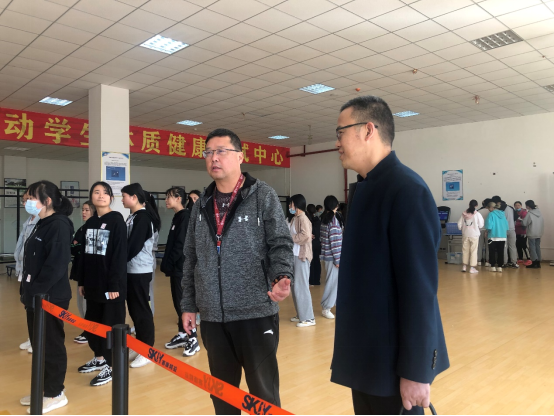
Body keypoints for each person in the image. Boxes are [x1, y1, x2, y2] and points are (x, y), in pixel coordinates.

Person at [331, 96, 449, 415]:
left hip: (394, 364)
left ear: (368, 130)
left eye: (341, 132)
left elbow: (420, 290)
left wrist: (416, 371)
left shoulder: (407, 191)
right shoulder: (365, 190)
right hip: (366, 356)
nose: (337, 142)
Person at [181, 128, 294, 415]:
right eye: (208, 152)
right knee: (222, 395)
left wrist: (282, 275)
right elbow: (191, 257)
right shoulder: (201, 204)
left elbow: (280, 243)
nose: (213, 158)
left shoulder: (263, 195)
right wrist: (189, 304)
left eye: (221, 151)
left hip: (255, 312)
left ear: (240, 157)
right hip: (213, 316)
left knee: (264, 394)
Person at [19, 180, 74, 412]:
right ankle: (43, 389)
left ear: (47, 200)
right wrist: (28, 292)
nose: (28, 201)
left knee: (51, 345)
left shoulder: (59, 225)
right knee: (39, 345)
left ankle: (55, 392)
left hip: (50, 297)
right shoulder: (42, 223)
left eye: (32, 197)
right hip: (35, 296)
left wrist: (36, 291)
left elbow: (56, 265)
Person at [78, 182, 128, 387]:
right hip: (92, 285)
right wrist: (82, 281)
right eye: (96, 192)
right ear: (91, 196)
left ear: (111, 198)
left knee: (110, 325)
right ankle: (99, 358)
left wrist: (114, 285)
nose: (101, 196)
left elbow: (119, 256)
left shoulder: (117, 221)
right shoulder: (90, 222)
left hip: (111, 287)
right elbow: (84, 255)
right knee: (93, 324)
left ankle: (113, 365)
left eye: (105, 193)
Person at [121, 183, 160, 368]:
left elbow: (133, 246)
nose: (122, 200)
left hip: (139, 270)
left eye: (124, 196)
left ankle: (147, 350)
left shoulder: (143, 218)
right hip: (131, 270)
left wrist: (118, 262)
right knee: (135, 310)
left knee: (141, 310)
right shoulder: (133, 216)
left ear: (134, 197)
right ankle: (140, 345)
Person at [161, 187, 192, 353]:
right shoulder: (178, 216)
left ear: (179, 198)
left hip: (181, 269)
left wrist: (169, 263)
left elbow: (180, 245)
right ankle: (182, 333)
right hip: (175, 269)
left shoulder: (185, 217)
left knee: (183, 304)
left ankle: (192, 338)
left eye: (169, 197)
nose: (166, 200)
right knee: (178, 303)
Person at [15, 190, 40, 354]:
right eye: (24, 201)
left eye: (29, 199)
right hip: (24, 271)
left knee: (36, 307)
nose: (26, 203)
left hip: (34, 272)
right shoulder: (28, 221)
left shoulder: (41, 222)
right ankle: (32, 337)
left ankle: (38, 339)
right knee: (27, 305)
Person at [70, 200, 96, 344]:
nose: (84, 212)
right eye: (83, 210)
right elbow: (73, 247)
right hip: (79, 269)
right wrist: (77, 246)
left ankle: (90, 331)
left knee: (87, 303)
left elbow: (83, 248)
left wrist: (78, 246)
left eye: (87, 210)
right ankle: (86, 328)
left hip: (89, 271)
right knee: (80, 302)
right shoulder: (82, 228)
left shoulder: (93, 228)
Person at [289, 194, 314, 327]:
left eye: (291, 204)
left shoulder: (303, 218)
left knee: (301, 286)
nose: (289, 206)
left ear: (297, 205)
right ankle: (301, 314)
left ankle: (308, 318)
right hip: (295, 255)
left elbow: (306, 236)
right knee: (295, 286)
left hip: (302, 256)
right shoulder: (295, 218)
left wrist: (290, 238)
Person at [319, 195, 342, 319]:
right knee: (332, 283)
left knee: (334, 283)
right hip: (333, 258)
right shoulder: (333, 220)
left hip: (327, 256)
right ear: (335, 206)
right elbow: (335, 242)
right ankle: (326, 307)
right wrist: (337, 260)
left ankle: (336, 305)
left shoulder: (325, 219)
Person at [457, 200, 484, 274]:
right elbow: (481, 225)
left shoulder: (464, 214)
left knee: (465, 250)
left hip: (465, 234)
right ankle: (472, 268)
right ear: (476, 205)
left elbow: (459, 224)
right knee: (473, 251)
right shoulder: (477, 214)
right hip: (474, 235)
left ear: (469, 205)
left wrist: (463, 229)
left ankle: (464, 266)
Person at [491, 196, 518, 268]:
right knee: (513, 246)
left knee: (504, 246)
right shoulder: (510, 208)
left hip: (502, 230)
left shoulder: (497, 209)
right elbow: (516, 217)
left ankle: (504, 262)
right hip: (512, 229)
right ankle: (514, 262)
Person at [485, 201, 509, 272]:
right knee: (501, 251)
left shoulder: (491, 214)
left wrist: (486, 231)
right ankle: (500, 266)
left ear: (491, 207)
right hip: (502, 236)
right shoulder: (503, 214)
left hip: (493, 235)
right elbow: (506, 226)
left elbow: (489, 225)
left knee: (492, 251)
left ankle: (492, 266)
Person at [521, 200, 544, 269]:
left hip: (532, 233)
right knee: (537, 247)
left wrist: (521, 220)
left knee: (532, 248)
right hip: (539, 232)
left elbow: (524, 223)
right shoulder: (539, 212)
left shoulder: (529, 213)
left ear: (528, 206)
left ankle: (534, 262)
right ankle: (538, 263)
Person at [306, 204, 322, 286]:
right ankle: (317, 280)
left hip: (310, 244)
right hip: (317, 243)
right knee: (317, 261)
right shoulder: (318, 220)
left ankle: (311, 280)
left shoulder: (307, 220)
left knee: (311, 262)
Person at [477, 198, 492, 266]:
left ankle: (479, 260)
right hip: (488, 230)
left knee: (479, 246)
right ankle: (487, 261)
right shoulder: (491, 212)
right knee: (488, 246)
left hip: (479, 230)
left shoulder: (478, 211)